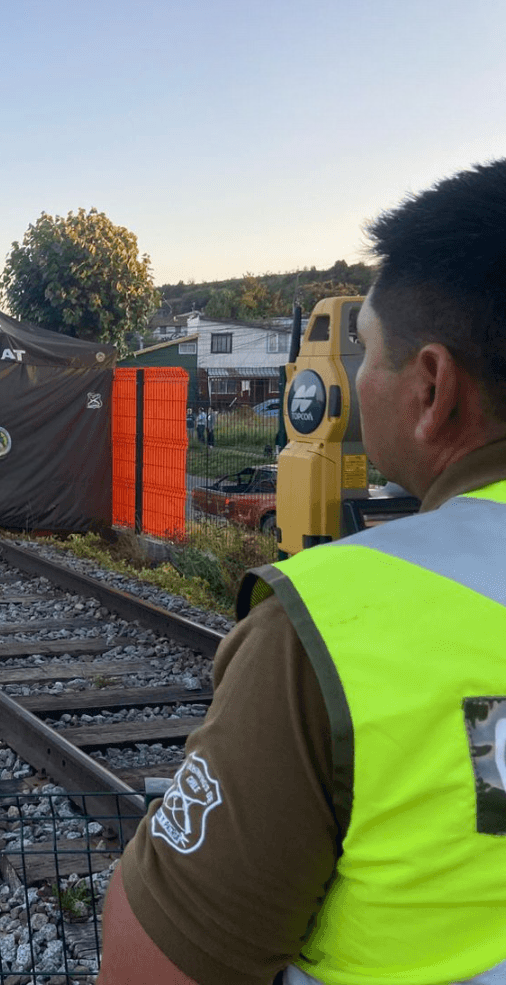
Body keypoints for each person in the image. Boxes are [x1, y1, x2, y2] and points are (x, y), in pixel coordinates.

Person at [96, 158, 506, 985]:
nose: (353, 378)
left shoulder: (333, 625)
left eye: (366, 354)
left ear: (432, 387)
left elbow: (148, 969)